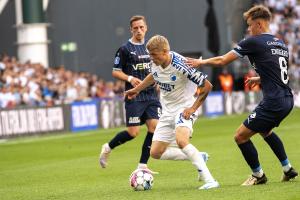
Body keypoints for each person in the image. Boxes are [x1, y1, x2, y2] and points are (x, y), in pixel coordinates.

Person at [186, 5, 298, 186]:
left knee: (240, 136)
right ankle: (287, 168)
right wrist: (260, 78)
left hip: (273, 101)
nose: (248, 29)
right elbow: (278, 71)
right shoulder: (280, 43)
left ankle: (258, 175)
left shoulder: (253, 41)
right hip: (287, 99)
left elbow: (223, 60)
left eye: (250, 25)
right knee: (265, 130)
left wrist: (201, 61)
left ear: (260, 24)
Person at [126, 35, 219, 190]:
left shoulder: (181, 64)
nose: (151, 58)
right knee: (155, 152)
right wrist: (137, 89)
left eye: (154, 55)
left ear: (165, 52)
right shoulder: (154, 63)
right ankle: (199, 157)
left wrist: (192, 109)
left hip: (184, 108)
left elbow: (207, 86)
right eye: (150, 55)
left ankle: (210, 180)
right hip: (167, 110)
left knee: (181, 141)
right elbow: (153, 76)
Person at [99, 15, 161, 173]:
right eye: (135, 28)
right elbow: (115, 71)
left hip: (151, 95)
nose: (139, 31)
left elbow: (156, 67)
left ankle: (143, 166)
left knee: (154, 127)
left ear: (146, 27)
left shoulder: (151, 46)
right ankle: (108, 147)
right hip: (134, 96)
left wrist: (159, 82)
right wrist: (130, 78)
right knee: (133, 132)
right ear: (131, 30)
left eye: (141, 27)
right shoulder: (125, 49)